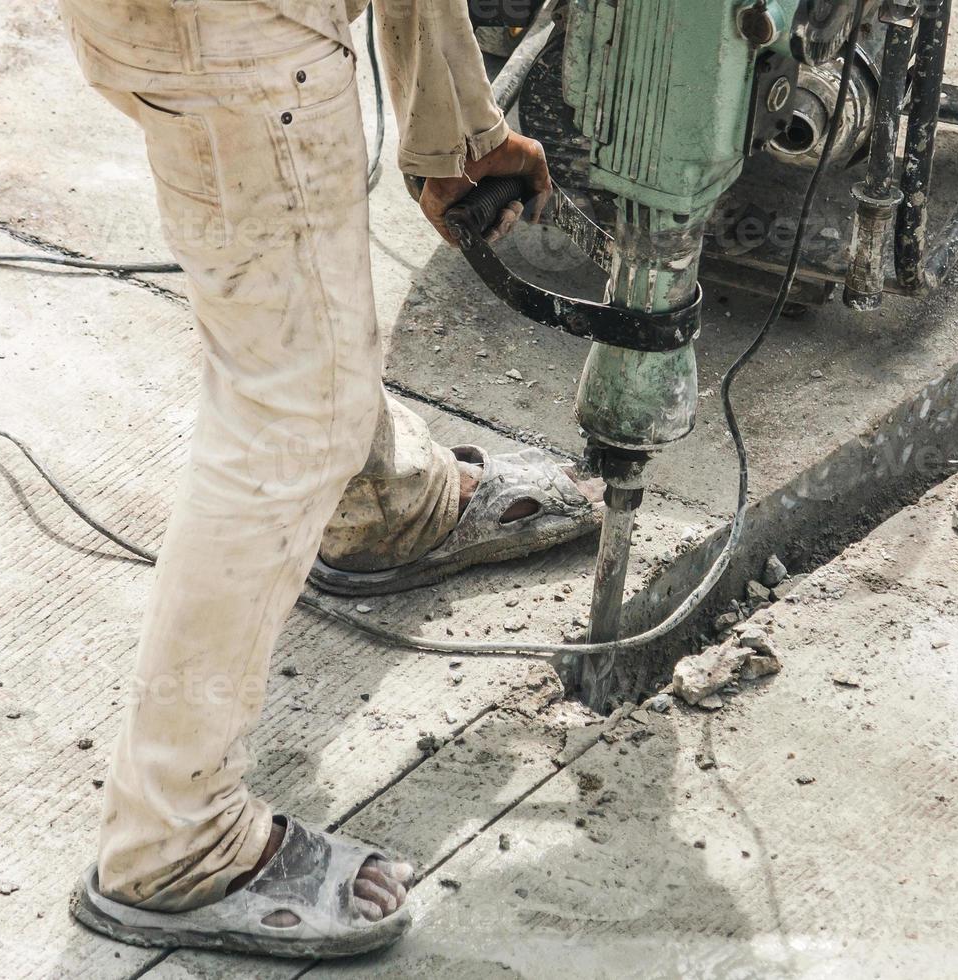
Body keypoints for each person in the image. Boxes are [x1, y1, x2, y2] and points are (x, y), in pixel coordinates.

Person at [59, 0, 597, 958]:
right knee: (292, 411)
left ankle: (381, 504)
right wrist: (453, 125)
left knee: (306, 319)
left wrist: (456, 130)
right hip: (226, 29)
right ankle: (173, 843)